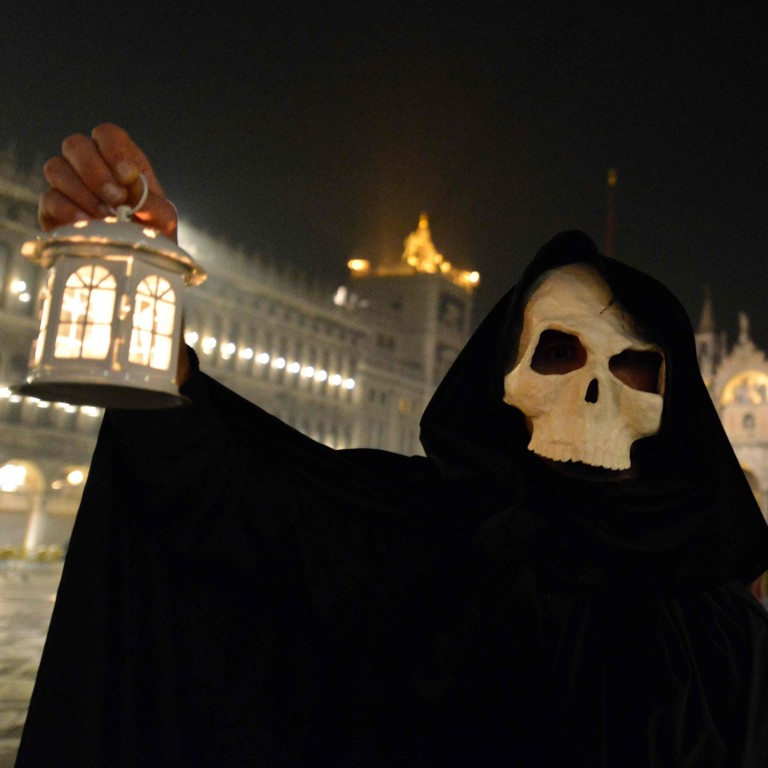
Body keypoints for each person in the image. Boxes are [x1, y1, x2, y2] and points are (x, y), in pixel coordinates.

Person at [16, 124, 768, 767]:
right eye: (557, 354)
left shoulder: (727, 626)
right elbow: (238, 490)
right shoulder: (420, 533)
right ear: (500, 378)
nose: (595, 390)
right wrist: (141, 299)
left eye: (634, 366)